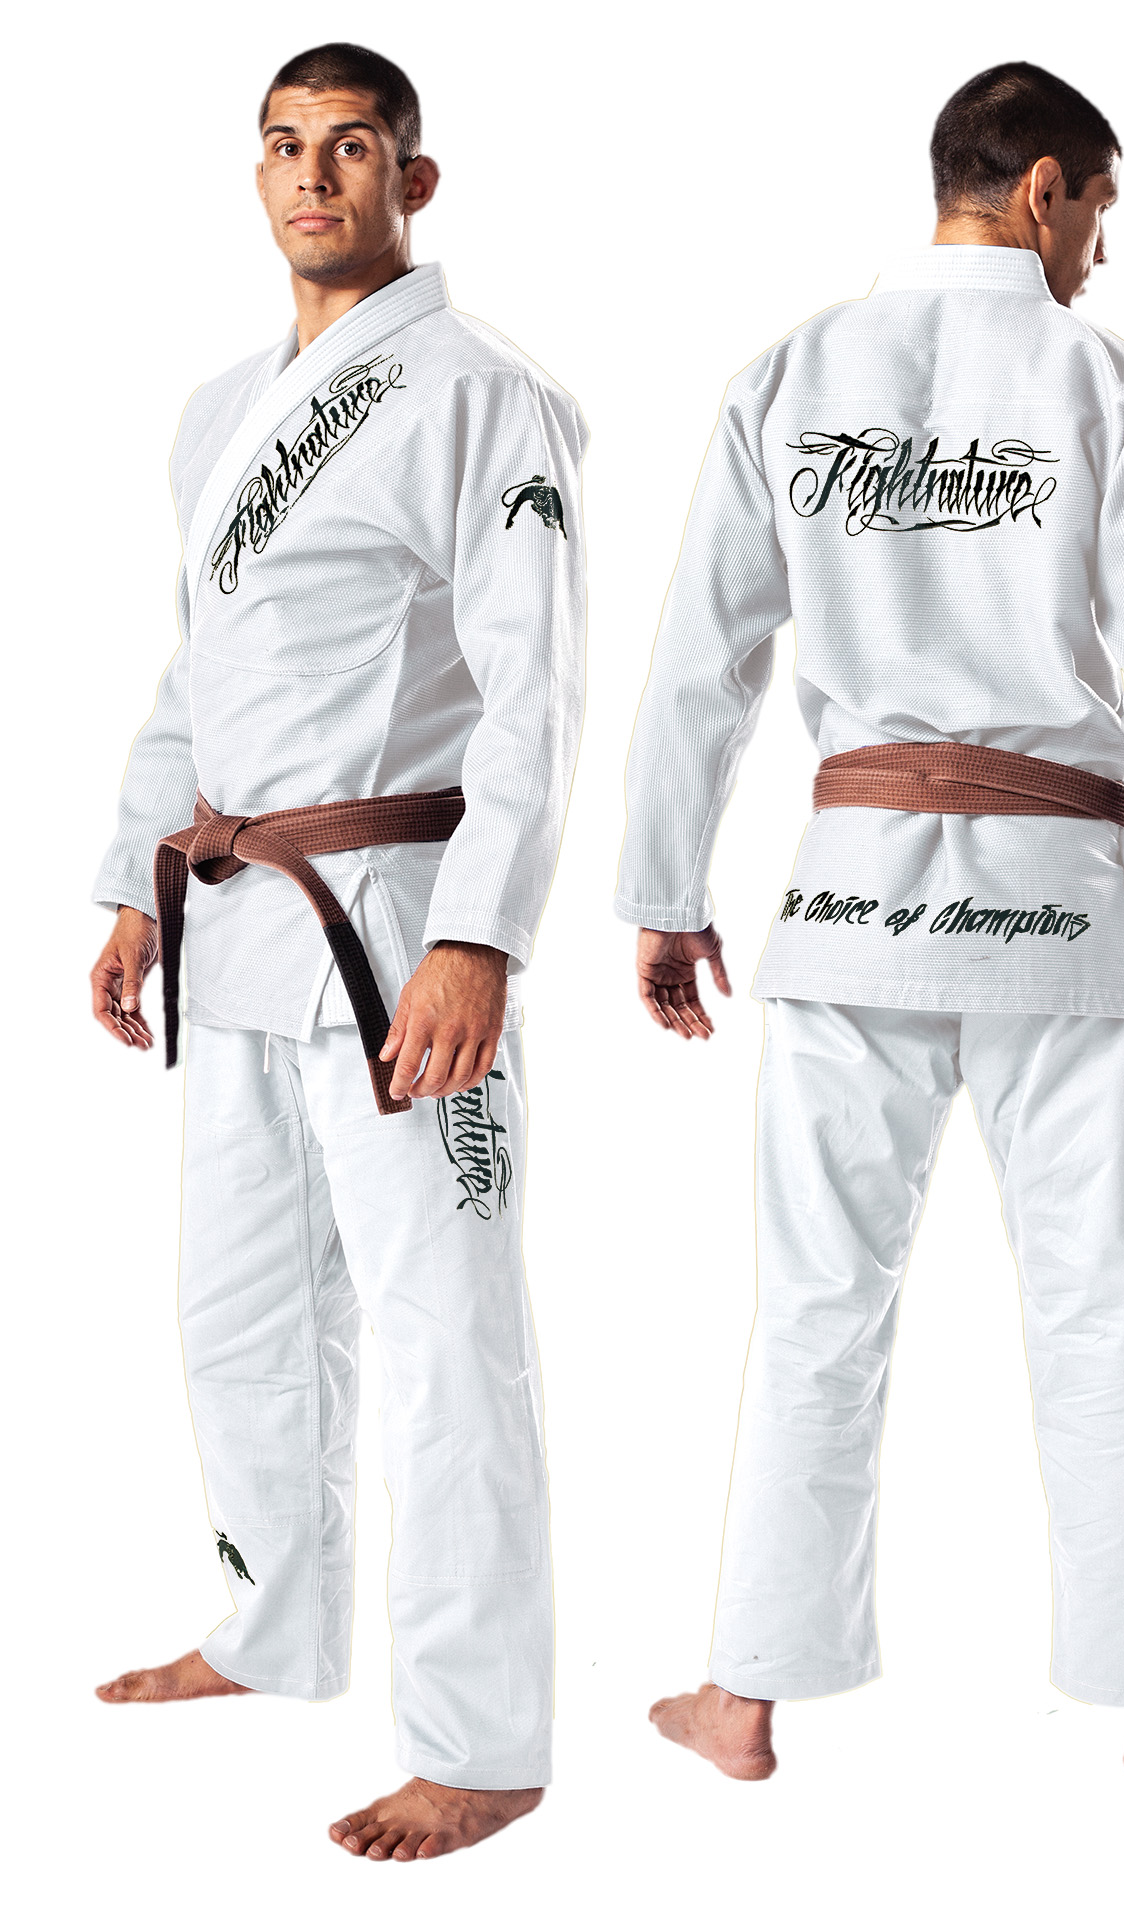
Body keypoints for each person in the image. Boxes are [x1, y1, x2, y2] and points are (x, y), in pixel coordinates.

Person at [615, 61, 1124, 1780]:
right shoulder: (1107, 384)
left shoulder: (787, 376)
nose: (1099, 254)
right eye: (1099, 213)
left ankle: (745, 1696)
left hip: (843, 905)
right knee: (1110, 1299)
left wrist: (662, 890)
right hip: (1052, 914)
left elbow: (699, 658)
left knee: (816, 1304)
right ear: (1042, 187)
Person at [89, 43, 586, 1860]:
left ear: (411, 181)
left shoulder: (482, 395)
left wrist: (481, 940)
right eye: (286, 147)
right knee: (238, 1308)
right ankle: (267, 1626)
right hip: (235, 917)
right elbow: (196, 670)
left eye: (352, 146)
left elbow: (536, 692)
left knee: (445, 1334)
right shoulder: (220, 409)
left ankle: (484, 1740)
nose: (314, 176)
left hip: (392, 924)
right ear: (259, 175)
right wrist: (132, 882)